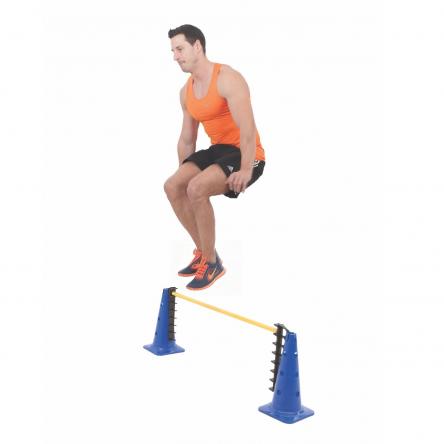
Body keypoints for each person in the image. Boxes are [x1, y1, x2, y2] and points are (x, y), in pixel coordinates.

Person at [164, 24, 266, 291]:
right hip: (219, 149)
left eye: (180, 49)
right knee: (173, 186)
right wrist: (182, 175)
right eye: (173, 51)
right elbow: (187, 139)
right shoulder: (186, 92)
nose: (175, 56)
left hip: (247, 152)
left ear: (197, 46)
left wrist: (246, 169)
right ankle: (204, 253)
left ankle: (212, 264)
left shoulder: (227, 78)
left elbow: (248, 129)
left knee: (197, 188)